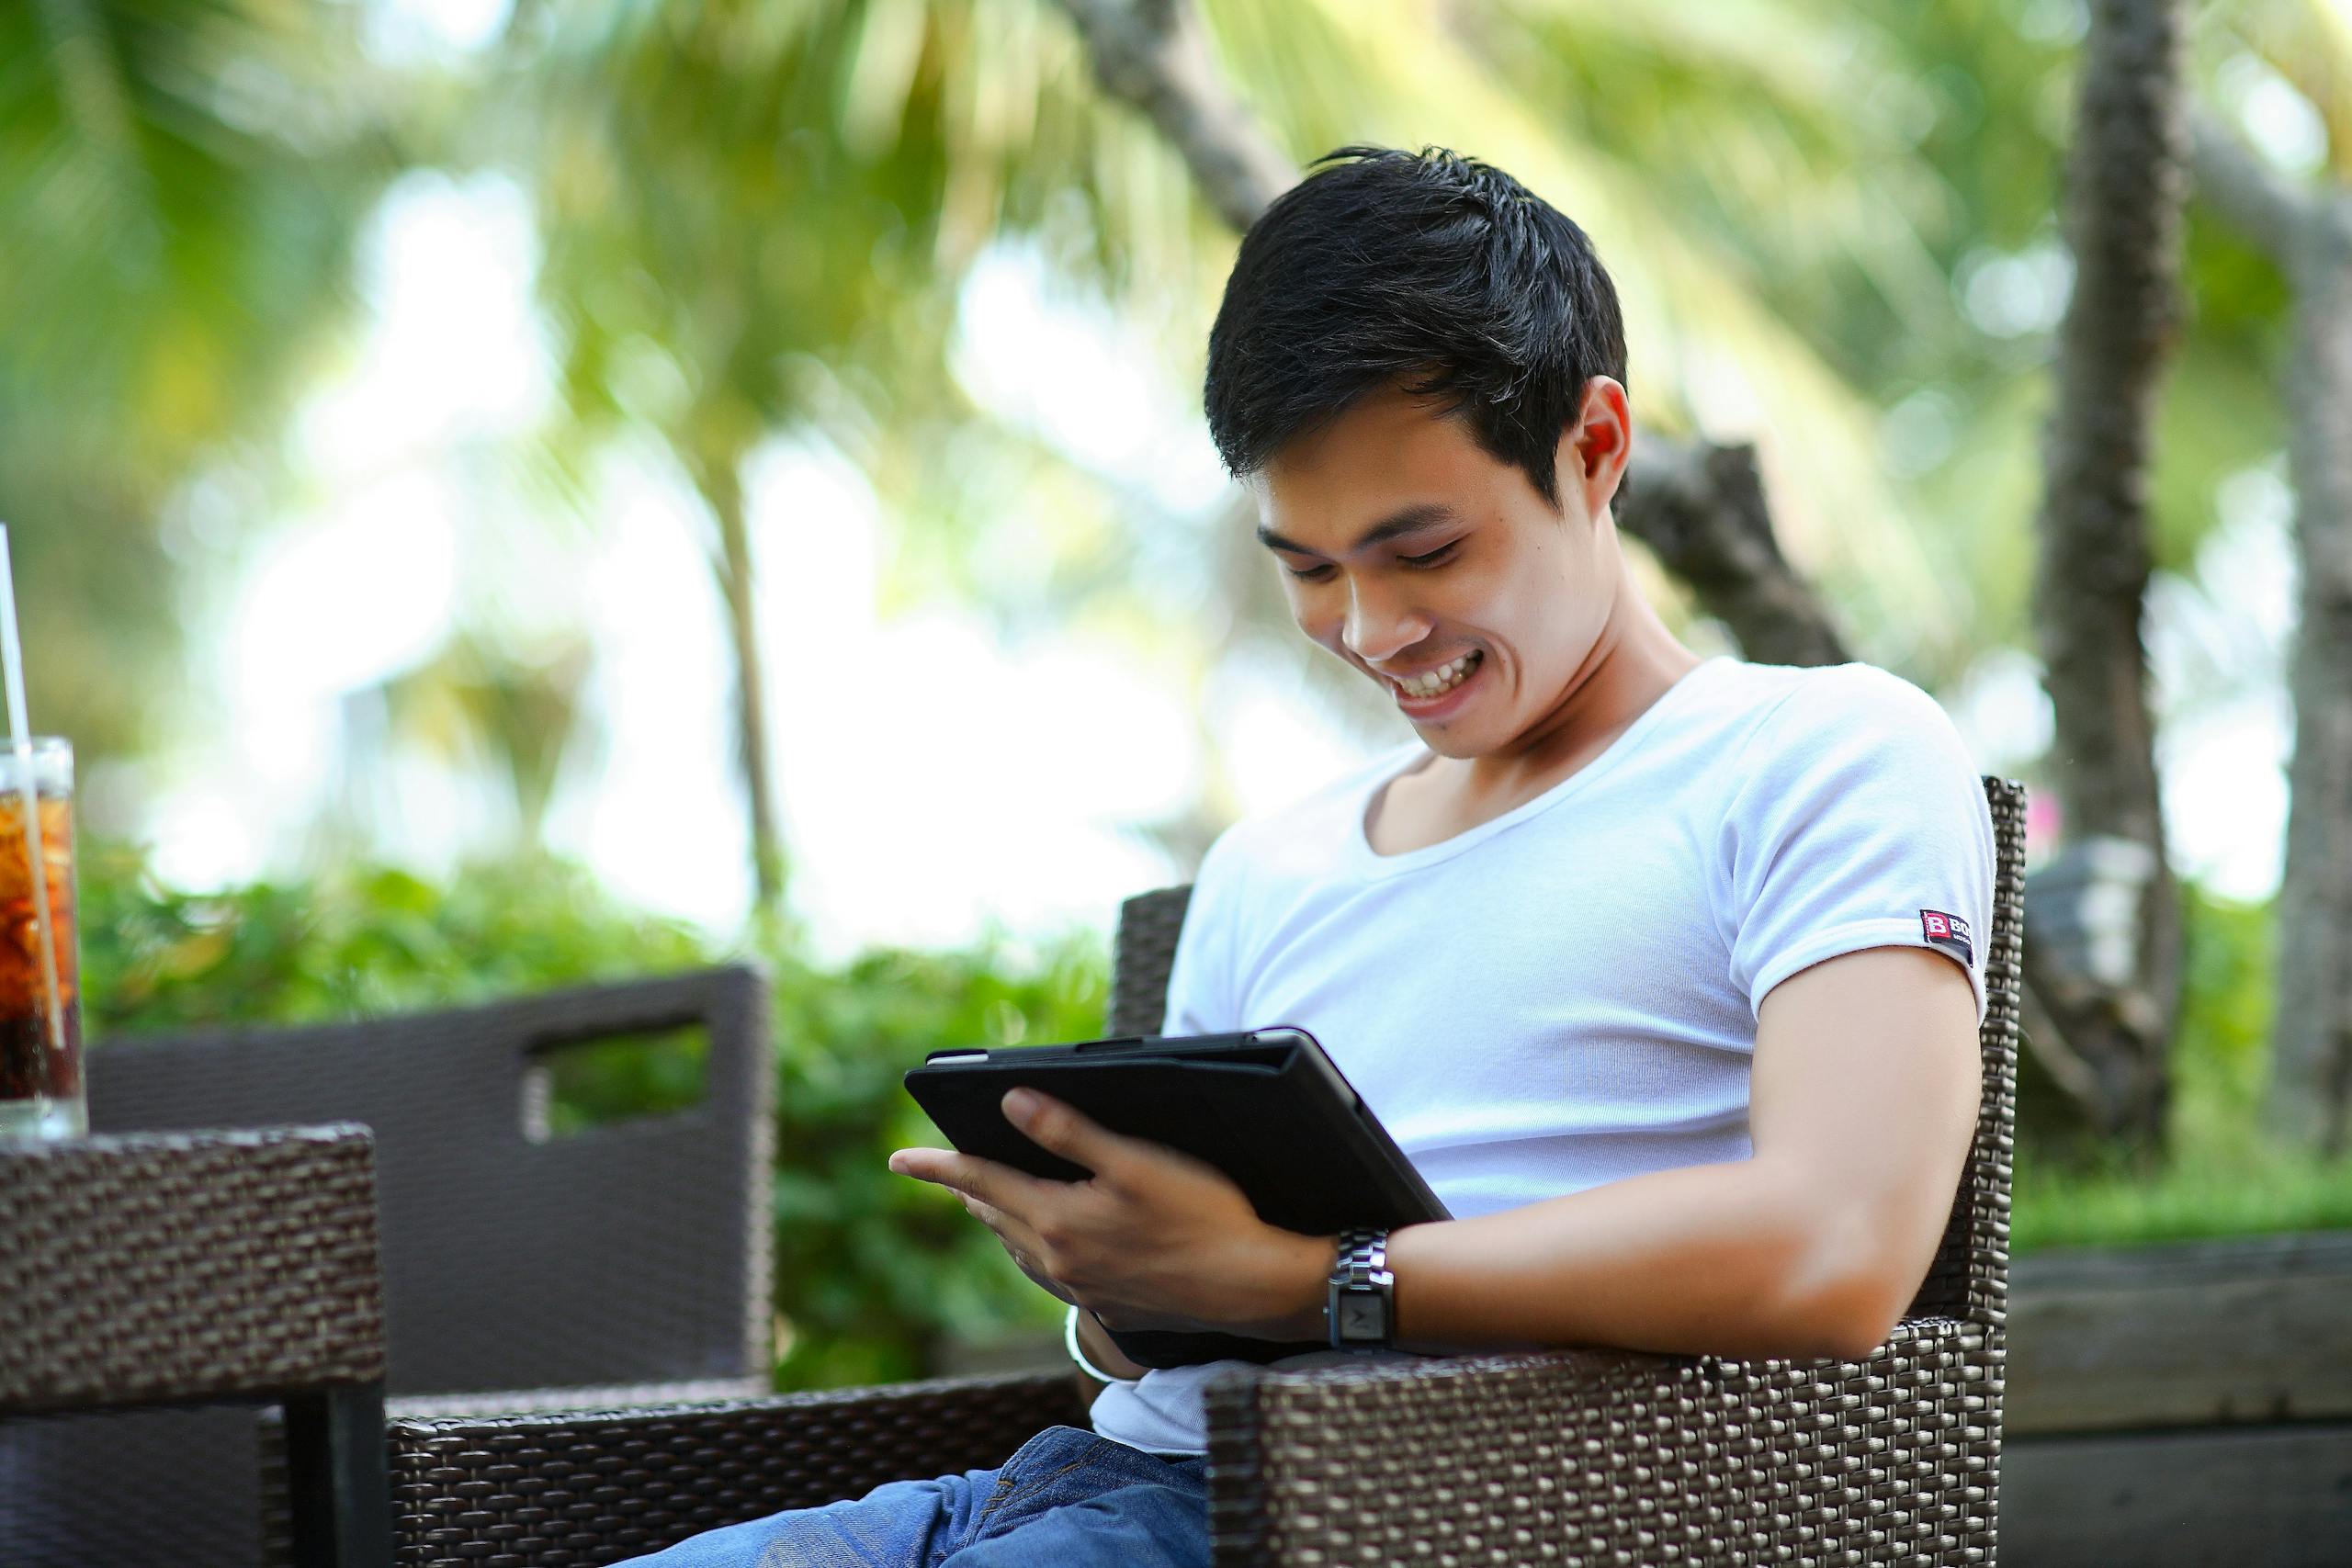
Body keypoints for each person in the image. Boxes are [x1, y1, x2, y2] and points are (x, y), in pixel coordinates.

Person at [616, 143, 1994, 1568]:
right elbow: (1145, 1343)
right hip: (1062, 1485)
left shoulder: (1820, 753)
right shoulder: (1270, 864)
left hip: (1389, 1516)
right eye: (1310, 568)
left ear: (1595, 448)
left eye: (1427, 550)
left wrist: (1308, 1281)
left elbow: (1837, 1250)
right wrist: (1116, 1275)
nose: (1373, 628)